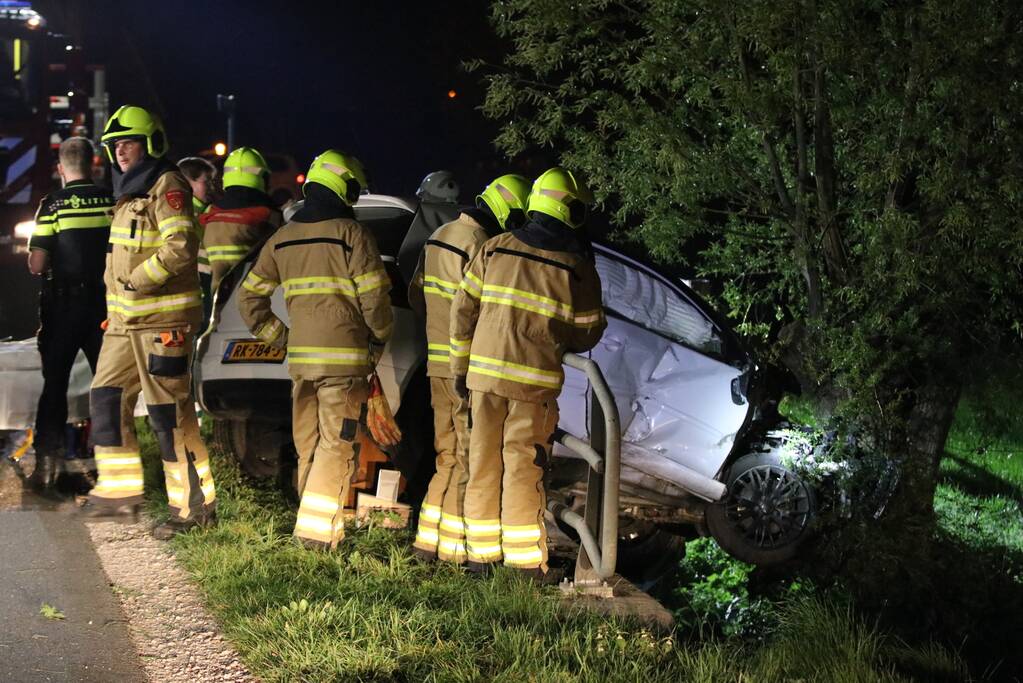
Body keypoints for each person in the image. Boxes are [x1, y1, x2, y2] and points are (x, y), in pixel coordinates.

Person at [449, 167, 606, 578]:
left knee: (482, 465)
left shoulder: (495, 248)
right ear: (568, 209)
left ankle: (479, 561)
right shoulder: (575, 268)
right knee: (522, 468)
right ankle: (522, 567)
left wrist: (459, 370)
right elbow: (587, 332)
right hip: (531, 389)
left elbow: (462, 313)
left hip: (482, 383)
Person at [238, 150, 391, 550]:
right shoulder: (351, 235)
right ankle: (316, 535)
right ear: (343, 186)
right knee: (336, 445)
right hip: (344, 365)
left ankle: (315, 528)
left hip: (302, 364)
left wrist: (283, 339)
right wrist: (378, 338)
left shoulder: (282, 238)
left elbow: (249, 299)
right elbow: (375, 300)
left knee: (310, 446)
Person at [82, 105, 217, 539]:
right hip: (125, 322)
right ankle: (120, 493)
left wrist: (136, 284)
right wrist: (115, 307)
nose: (120, 152)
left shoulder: (167, 185)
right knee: (105, 398)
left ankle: (194, 510)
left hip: (163, 322)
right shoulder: (129, 192)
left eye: (129, 143)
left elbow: (180, 246)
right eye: (115, 144)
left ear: (150, 144)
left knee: (169, 417)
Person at [408, 174, 530, 564]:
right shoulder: (484, 246)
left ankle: (428, 543)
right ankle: (454, 552)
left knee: (446, 454)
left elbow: (416, 294)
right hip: (464, 369)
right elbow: (482, 313)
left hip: (435, 365)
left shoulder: (439, 233)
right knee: (466, 457)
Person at [26, 137, 114, 493]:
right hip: (105, 306)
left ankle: (48, 467)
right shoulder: (111, 201)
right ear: (93, 164)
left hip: (63, 308)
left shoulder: (52, 205)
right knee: (107, 384)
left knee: (55, 386)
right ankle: (114, 468)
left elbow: (37, 263)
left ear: (61, 168)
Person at [200, 146, 282, 292]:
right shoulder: (271, 216)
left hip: (213, 301)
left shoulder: (209, 213)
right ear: (263, 177)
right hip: (251, 299)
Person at [177, 157, 217, 326]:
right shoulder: (188, 212)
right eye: (205, 182)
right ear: (188, 183)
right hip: (198, 279)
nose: (211, 187)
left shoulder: (202, 209)